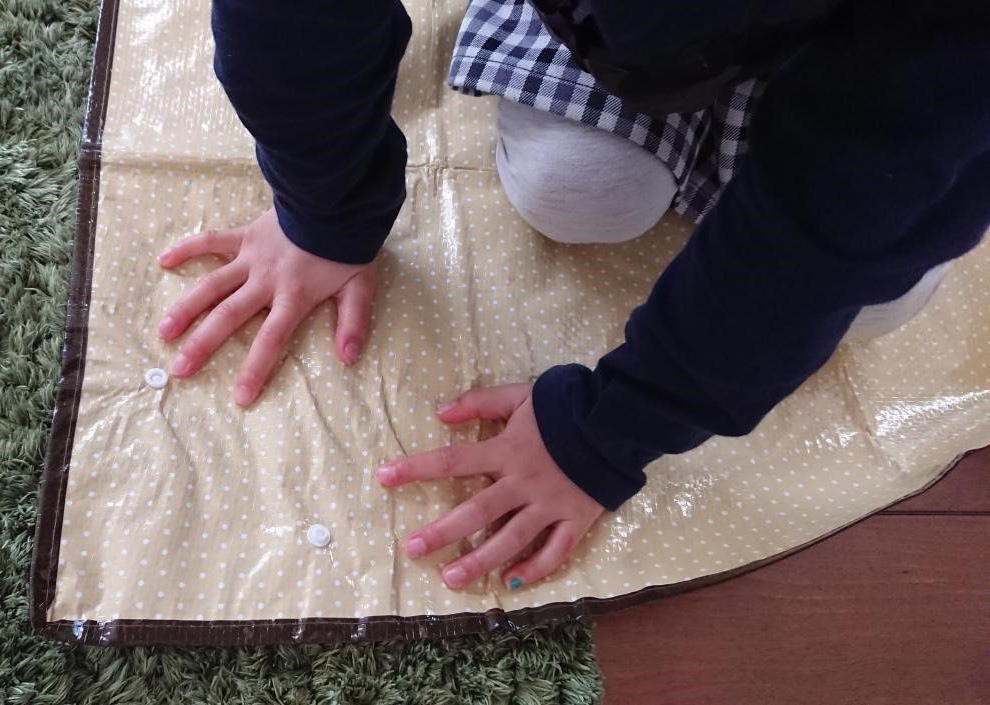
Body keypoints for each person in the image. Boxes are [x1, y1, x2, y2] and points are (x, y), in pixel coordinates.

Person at [155, 0, 990, 591]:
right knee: (576, 189)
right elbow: (293, 20)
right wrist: (325, 213)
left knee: (873, 301)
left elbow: (845, 207)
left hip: (904, 59)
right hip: (632, 33)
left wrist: (613, 429)